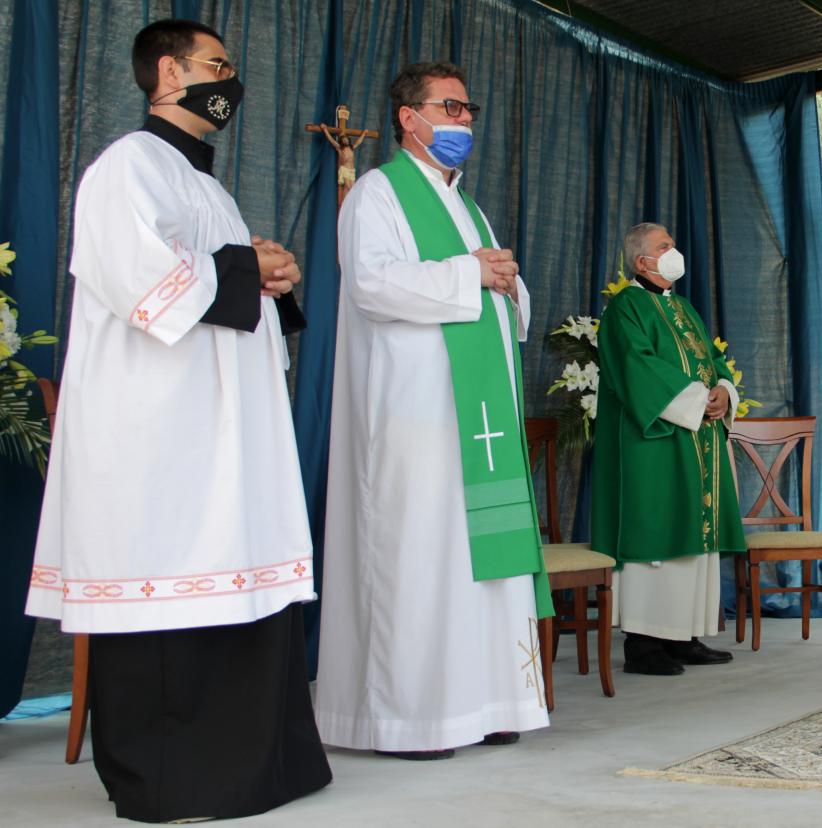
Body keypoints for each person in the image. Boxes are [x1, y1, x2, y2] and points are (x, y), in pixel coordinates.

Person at [25, 18, 329, 822]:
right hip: (158, 432)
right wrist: (244, 267)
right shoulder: (128, 166)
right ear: (168, 72)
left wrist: (275, 275)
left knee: (238, 573)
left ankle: (258, 765)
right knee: (169, 582)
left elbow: (226, 283)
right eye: (217, 65)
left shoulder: (211, 187)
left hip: (222, 430)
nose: (230, 81)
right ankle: (175, 777)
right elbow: (141, 280)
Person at [316, 61, 551, 760]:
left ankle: (490, 701)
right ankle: (412, 717)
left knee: (481, 564)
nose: (464, 122)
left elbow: (504, 302)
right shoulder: (378, 195)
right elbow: (369, 285)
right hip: (414, 417)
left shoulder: (468, 206)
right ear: (408, 119)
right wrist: (469, 274)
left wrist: (507, 283)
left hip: (477, 420)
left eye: (469, 110)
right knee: (420, 558)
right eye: (450, 108)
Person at [590, 222, 747, 676]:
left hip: (697, 438)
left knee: (692, 540)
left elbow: (712, 361)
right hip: (654, 442)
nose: (674, 252)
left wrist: (721, 391)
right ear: (643, 261)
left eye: (673, 245)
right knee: (657, 533)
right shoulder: (626, 309)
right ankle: (643, 645)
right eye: (665, 247)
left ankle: (684, 636)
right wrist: (698, 401)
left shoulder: (683, 308)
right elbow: (638, 367)